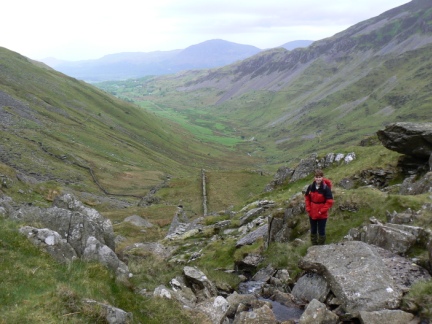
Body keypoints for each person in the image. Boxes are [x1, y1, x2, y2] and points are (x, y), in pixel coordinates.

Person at [304, 169, 334, 245]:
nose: (318, 179)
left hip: (322, 215)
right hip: (312, 213)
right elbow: (307, 198)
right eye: (316, 177)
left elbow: (329, 201)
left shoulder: (325, 188)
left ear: (322, 177)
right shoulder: (311, 187)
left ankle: (321, 246)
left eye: (320, 177)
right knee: (313, 230)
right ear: (314, 177)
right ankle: (314, 245)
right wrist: (308, 208)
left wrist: (322, 211)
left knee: (321, 230)